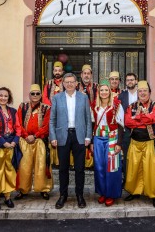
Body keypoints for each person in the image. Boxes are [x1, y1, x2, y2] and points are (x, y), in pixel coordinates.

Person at [49, 73, 92, 209]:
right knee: (63, 168)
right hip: (62, 135)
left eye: (71, 82)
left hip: (79, 135)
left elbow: (88, 118)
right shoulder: (57, 98)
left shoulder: (83, 98)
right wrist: (53, 137)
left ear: (76, 83)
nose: (69, 84)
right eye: (66, 82)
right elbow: (52, 120)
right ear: (63, 83)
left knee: (80, 168)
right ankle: (63, 195)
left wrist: (88, 137)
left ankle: (80, 195)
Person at [124, 81, 155, 208]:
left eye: (145, 91)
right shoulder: (131, 106)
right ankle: (135, 192)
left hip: (149, 142)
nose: (142, 93)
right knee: (134, 169)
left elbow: (153, 118)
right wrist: (141, 119)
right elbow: (127, 122)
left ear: (149, 92)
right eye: (140, 91)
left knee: (151, 170)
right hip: (135, 142)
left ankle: (154, 195)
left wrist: (137, 118)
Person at [15, 84, 53, 201]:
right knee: (24, 166)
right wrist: (26, 136)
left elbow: (47, 126)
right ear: (29, 95)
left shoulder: (46, 108)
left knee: (41, 165)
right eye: (33, 93)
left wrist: (35, 136)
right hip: (25, 140)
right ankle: (23, 190)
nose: (35, 96)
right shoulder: (22, 106)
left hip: (40, 140)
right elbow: (18, 124)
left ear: (41, 95)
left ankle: (44, 189)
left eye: (37, 93)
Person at [0, 87, 21, 211]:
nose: (3, 98)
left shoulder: (13, 111)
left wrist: (14, 142)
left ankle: (7, 196)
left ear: (9, 98)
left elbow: (18, 128)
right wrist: (3, 142)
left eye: (6, 96)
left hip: (11, 146)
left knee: (9, 172)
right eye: (1, 95)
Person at [91, 79, 124, 207]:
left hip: (112, 138)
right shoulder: (94, 105)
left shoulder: (116, 105)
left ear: (110, 92)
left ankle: (111, 194)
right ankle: (103, 192)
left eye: (106, 90)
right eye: (102, 90)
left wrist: (119, 143)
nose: (104, 92)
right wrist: (92, 142)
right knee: (99, 167)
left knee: (112, 167)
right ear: (98, 92)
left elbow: (121, 125)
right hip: (98, 138)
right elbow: (92, 124)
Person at [42, 61, 64, 167]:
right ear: (53, 71)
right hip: (51, 112)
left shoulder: (65, 83)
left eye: (59, 70)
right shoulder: (48, 83)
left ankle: (61, 160)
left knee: (62, 136)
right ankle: (52, 161)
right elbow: (44, 97)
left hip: (63, 114)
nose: (57, 72)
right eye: (55, 70)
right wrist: (52, 107)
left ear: (62, 71)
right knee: (52, 135)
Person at [118, 73, 138, 186]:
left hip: (140, 132)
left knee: (138, 157)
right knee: (126, 157)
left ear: (136, 81)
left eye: (132, 80)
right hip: (126, 131)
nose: (130, 82)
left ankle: (138, 182)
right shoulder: (122, 96)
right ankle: (127, 182)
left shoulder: (142, 93)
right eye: (128, 80)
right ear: (125, 82)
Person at [77, 64, 98, 168]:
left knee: (91, 140)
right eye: (84, 73)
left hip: (93, 118)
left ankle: (92, 163)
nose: (86, 75)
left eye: (88, 73)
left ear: (91, 75)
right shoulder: (75, 86)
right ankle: (79, 163)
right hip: (78, 119)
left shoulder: (97, 87)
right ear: (81, 75)